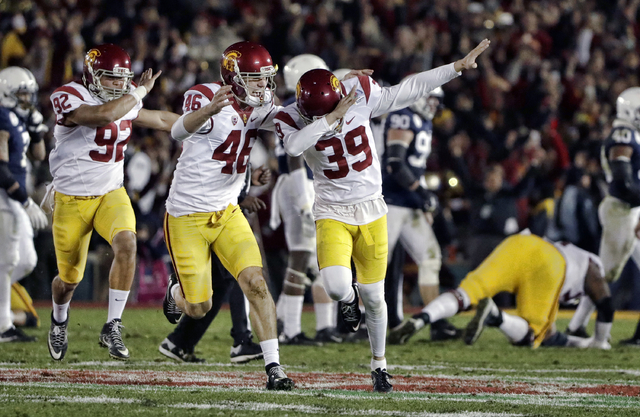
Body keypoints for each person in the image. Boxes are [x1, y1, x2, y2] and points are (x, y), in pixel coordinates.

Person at [274, 39, 491, 392]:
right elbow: (294, 146)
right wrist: (330, 118)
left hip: (372, 208)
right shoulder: (291, 116)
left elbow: (410, 88)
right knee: (337, 287)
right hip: (331, 210)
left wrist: (455, 68)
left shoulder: (357, 92)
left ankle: (379, 364)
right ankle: (348, 303)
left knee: (375, 298)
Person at [163, 41, 294, 391]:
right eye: (255, 78)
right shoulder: (206, 96)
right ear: (234, 76)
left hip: (227, 211)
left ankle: (274, 368)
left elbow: (290, 119)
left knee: (256, 283)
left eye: (266, 78)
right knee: (198, 307)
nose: (263, 85)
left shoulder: (261, 104)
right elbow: (178, 131)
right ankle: (175, 291)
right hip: (187, 215)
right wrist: (209, 110)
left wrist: (328, 104)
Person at [46, 44, 179, 361]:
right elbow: (102, 115)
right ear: (92, 76)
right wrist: (140, 92)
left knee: (127, 243)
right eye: (110, 78)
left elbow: (160, 118)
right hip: (72, 198)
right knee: (69, 280)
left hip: (110, 192)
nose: (119, 84)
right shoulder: (69, 95)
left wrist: (204, 123)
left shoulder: (127, 97)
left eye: (122, 78)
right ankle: (59, 319)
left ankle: (113, 324)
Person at [388, 231, 614, 349]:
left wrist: (586, 342)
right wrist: (601, 341)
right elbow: (606, 304)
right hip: (550, 263)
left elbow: (570, 330)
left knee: (466, 292)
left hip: (522, 242)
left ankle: (422, 318)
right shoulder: (594, 267)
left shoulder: (580, 265)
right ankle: (495, 316)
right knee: (533, 334)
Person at [159, 165, 269, 363]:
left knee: (219, 285)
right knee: (241, 273)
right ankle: (242, 341)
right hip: (210, 216)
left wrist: (248, 181)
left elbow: (228, 162)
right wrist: (241, 197)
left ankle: (179, 342)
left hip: (224, 213)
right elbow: (207, 167)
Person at [271, 53, 342, 345]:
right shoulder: (298, 107)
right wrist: (303, 199)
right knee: (302, 257)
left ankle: (320, 325)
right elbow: (294, 157)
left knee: (316, 257)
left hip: (301, 184)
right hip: (299, 184)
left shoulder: (294, 104)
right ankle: (290, 328)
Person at [381, 84, 461, 343]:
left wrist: (421, 197)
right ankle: (361, 321)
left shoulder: (423, 121)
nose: (434, 105)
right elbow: (396, 163)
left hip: (409, 203)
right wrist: (422, 193)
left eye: (437, 100)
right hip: (391, 202)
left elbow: (413, 168)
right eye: (431, 98)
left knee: (430, 259)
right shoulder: (402, 115)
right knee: (377, 264)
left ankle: (436, 321)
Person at [567, 87, 640, 345]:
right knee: (605, 273)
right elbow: (623, 182)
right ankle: (579, 327)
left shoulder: (631, 133)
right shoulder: (623, 134)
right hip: (621, 209)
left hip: (631, 210)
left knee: (606, 272)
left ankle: (578, 325)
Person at [0, 66, 48, 342]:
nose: (27, 99)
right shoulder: (2, 117)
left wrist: (37, 132)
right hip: (6, 194)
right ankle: (4, 326)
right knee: (8, 260)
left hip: (15, 196)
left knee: (26, 260)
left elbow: (39, 156)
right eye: (22, 94)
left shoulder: (18, 117)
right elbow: (1, 169)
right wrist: (25, 200)